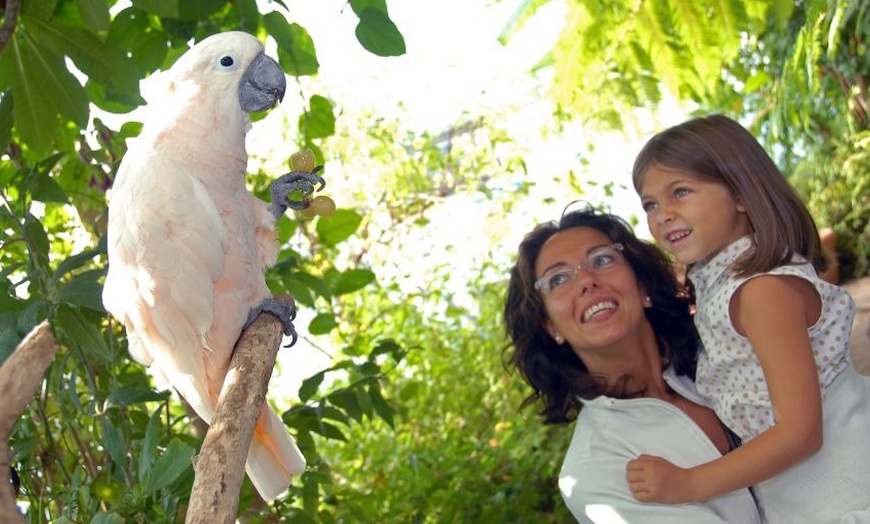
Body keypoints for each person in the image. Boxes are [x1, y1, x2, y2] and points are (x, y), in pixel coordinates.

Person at [631, 114, 870, 523]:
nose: (662, 214)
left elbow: (801, 433)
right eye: (650, 204)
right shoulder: (725, 286)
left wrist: (686, 483)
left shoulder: (761, 291)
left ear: (740, 194)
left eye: (681, 192)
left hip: (848, 490)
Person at [503, 205, 760, 523]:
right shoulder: (594, 470)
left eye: (602, 259)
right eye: (557, 280)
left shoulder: (726, 356)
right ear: (551, 327)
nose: (586, 280)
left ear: (643, 287)